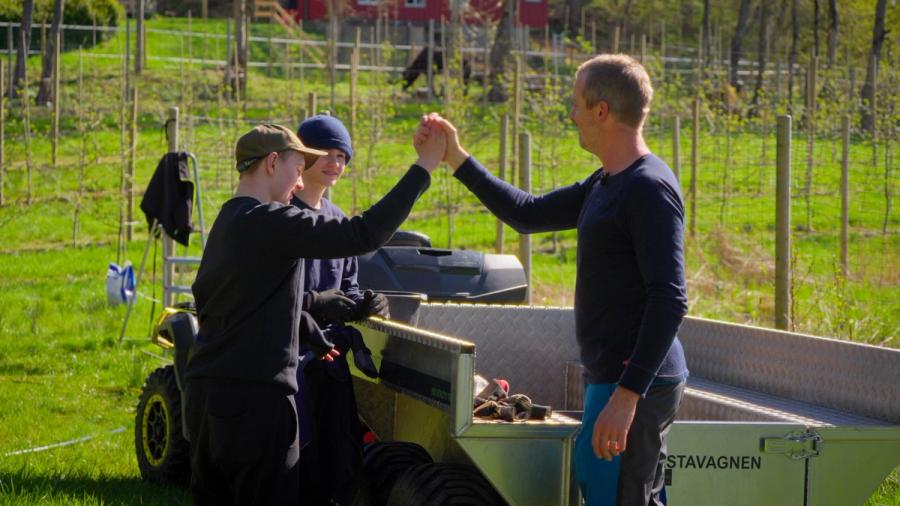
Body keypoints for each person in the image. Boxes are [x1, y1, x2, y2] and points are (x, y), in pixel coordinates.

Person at [419, 53, 688, 506]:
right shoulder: (607, 182)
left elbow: (670, 298)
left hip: (634, 383)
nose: (571, 114)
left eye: (576, 103)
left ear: (601, 111)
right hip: (614, 376)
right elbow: (527, 213)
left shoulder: (648, 189)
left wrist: (626, 398)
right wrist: (456, 157)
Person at [185, 122, 446, 505]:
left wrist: (305, 325)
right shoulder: (270, 222)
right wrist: (423, 168)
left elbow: (233, 304)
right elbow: (362, 234)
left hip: (207, 396)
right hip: (255, 403)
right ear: (273, 163)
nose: (298, 182)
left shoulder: (228, 222)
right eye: (297, 168)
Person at [291, 114, 386, 505]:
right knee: (302, 460)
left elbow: (347, 285)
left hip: (331, 361)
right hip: (291, 362)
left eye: (342, 155)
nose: (335, 162)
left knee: (341, 459)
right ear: (302, 157)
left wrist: (367, 302)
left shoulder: (339, 221)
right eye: (326, 153)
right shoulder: (281, 216)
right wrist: (312, 306)